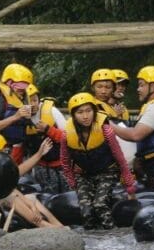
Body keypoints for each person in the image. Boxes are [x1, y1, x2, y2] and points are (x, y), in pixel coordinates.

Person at [47, 93, 137, 229]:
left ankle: (113, 233)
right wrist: (72, 182)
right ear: (73, 115)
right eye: (80, 112)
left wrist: (130, 187)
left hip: (107, 172)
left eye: (89, 111)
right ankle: (91, 236)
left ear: (94, 111)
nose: (85, 116)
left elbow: (120, 159)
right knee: (86, 211)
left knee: (100, 205)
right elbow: (65, 161)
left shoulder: (106, 130)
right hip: (84, 174)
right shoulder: (67, 135)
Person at [0, 133, 64, 228]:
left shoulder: (2, 170)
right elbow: (9, 189)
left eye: (6, 150)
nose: (7, 153)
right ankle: (43, 225)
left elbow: (12, 184)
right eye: (3, 151)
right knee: (10, 197)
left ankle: (58, 225)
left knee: (31, 198)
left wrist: (31, 205)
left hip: (7, 197)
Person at [12, 84, 70, 194]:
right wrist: (12, 173)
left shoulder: (52, 111)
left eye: (35, 100)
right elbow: (17, 149)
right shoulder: (20, 120)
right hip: (41, 168)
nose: (33, 104)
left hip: (63, 165)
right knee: (47, 196)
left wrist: (48, 129)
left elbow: (69, 138)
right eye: (28, 101)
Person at [0, 63, 36, 150]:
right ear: (9, 83)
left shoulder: (19, 100)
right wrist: (16, 117)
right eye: (20, 86)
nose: (23, 90)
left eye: (25, 86)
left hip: (15, 148)